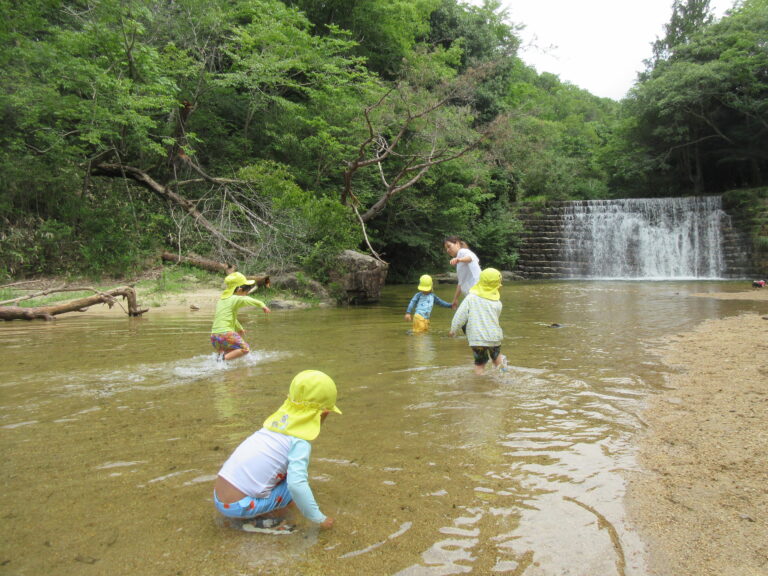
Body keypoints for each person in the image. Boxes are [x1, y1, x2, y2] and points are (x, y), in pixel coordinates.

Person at [213, 370, 341, 531]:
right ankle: (272, 520)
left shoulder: (271, 429)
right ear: (324, 414)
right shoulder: (299, 442)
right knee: (294, 485)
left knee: (286, 474)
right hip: (239, 506)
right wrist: (319, 518)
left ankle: (257, 512)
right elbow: (296, 486)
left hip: (219, 497)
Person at [449, 267, 507, 375]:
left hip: (477, 339)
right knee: (496, 357)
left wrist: (453, 330)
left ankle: (479, 382)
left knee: (480, 364)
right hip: (494, 337)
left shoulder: (471, 298)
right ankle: (504, 374)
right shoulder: (497, 303)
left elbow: (460, 316)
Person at [210, 271, 271, 361]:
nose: (246, 294)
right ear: (239, 290)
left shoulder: (221, 301)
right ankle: (222, 359)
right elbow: (248, 300)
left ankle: (220, 361)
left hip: (214, 336)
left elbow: (231, 319)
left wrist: (239, 328)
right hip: (226, 334)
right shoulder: (235, 298)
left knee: (228, 352)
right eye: (246, 292)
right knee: (245, 349)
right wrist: (262, 305)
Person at [443, 236, 481, 309]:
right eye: (446, 249)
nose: (448, 250)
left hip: (477, 294)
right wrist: (455, 299)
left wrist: (459, 260)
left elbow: (471, 258)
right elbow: (460, 283)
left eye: (449, 246)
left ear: (457, 243)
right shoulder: (459, 258)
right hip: (472, 296)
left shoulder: (463, 251)